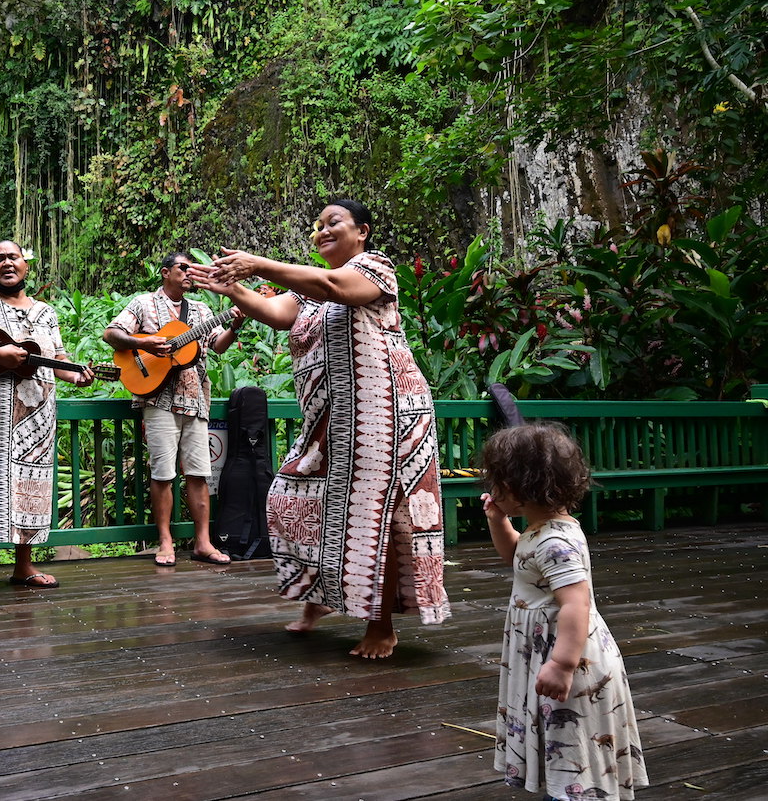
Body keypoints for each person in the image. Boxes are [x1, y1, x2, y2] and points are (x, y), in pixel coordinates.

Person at [191, 199, 450, 658]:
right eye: (318, 226)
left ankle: (380, 626)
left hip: (383, 417)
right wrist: (230, 289)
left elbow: (336, 285)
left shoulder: (375, 268)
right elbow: (273, 312)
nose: (322, 231)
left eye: (335, 223)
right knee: (290, 497)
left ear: (362, 231)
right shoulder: (308, 292)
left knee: (377, 516)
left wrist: (256, 264)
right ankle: (320, 598)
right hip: (329, 420)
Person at [480, 423, 648, 800]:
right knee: (559, 736)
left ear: (519, 489)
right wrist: (498, 521)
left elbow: (576, 602)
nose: (491, 488)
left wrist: (562, 664)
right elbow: (517, 559)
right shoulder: (539, 530)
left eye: (497, 481)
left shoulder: (556, 541)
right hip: (548, 650)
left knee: (572, 739)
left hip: (569, 655)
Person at [0, 240, 95, 597]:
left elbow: (57, 357)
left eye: (13, 257)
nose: (7, 263)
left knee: (34, 487)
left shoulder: (46, 313)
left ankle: (23, 566)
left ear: (25, 264)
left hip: (40, 415)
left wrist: (77, 375)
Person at [102, 252, 243, 567]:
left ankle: (202, 543)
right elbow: (111, 334)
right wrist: (144, 344)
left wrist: (234, 327)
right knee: (163, 474)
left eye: (192, 268)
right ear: (166, 272)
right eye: (184, 267)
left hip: (195, 401)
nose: (190, 272)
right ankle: (165, 542)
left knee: (199, 474)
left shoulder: (202, 310)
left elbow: (217, 345)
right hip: (159, 401)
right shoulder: (143, 304)